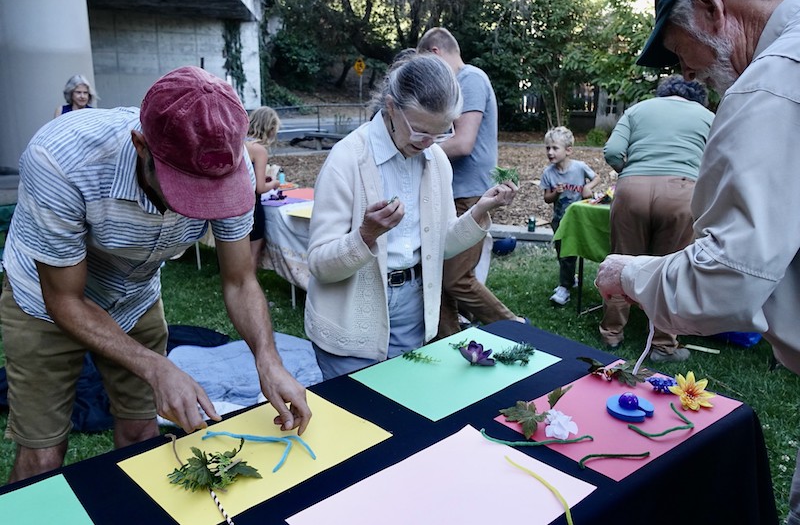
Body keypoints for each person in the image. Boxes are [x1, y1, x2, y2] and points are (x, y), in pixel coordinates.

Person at [1, 66, 311, 484]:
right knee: (43, 455)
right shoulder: (61, 158)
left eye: (211, 193)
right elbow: (65, 300)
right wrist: (158, 367)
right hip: (43, 301)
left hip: (136, 296)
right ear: (141, 146)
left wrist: (267, 357)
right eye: (184, 188)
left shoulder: (231, 165)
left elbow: (239, 280)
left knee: (141, 431)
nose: (196, 207)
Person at [592, 0, 800, 520]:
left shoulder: (774, 79)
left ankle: (618, 331)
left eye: (681, 50)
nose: (686, 73)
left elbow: (728, 277)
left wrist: (629, 272)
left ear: (711, 6)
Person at [304, 54, 518, 380]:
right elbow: (319, 264)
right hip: (350, 314)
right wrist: (365, 235)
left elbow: (440, 245)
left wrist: (479, 211)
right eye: (420, 132)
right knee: (355, 414)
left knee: (402, 407)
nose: (428, 144)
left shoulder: (435, 161)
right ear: (391, 107)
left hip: (411, 308)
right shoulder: (347, 158)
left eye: (440, 133)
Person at [416, 27, 526, 338]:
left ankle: (515, 328)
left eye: (426, 64)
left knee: (456, 278)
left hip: (469, 194)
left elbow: (463, 143)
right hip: (452, 191)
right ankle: (447, 341)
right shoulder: (456, 84)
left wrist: (411, 149)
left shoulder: (470, 79)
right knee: (436, 276)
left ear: (435, 53)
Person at [599, 75, 715, 361]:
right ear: (696, 97)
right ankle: (663, 345)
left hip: (632, 189)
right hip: (681, 192)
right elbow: (721, 160)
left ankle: (611, 334)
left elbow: (613, 151)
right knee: (670, 269)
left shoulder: (637, 110)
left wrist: (628, 171)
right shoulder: (708, 116)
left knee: (621, 261)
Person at [541, 126, 600, 306]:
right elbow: (546, 199)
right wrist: (556, 193)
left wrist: (588, 188)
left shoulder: (579, 167)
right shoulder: (548, 173)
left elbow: (596, 177)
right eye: (547, 148)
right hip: (559, 220)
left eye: (555, 148)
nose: (550, 152)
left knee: (568, 254)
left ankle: (564, 288)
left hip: (577, 219)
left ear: (568, 150)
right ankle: (570, 279)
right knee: (562, 254)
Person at [246, 106, 282, 271]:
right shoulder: (259, 149)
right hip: (252, 207)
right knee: (252, 254)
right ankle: (247, 289)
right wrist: (274, 184)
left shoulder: (239, 142)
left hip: (233, 205)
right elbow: (259, 188)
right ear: (270, 128)